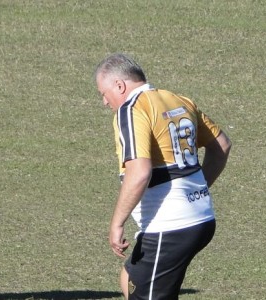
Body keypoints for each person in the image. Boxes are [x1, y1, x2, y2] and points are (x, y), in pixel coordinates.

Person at [93, 53, 231, 299]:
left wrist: (116, 223)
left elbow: (139, 172)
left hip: (170, 227)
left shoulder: (132, 109)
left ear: (120, 85)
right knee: (130, 277)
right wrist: (196, 189)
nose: (104, 102)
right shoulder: (179, 100)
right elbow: (222, 146)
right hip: (200, 219)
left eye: (104, 93)